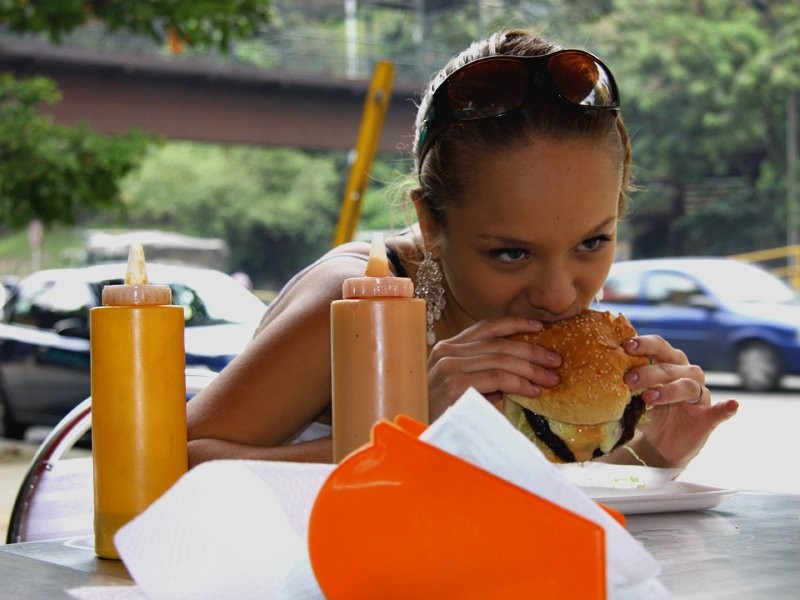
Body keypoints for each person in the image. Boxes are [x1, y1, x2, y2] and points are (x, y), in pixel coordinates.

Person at [186, 28, 738, 468]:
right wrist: (413, 432)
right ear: (429, 221)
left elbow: (518, 464)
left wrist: (645, 444)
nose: (558, 294)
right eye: (511, 253)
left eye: (591, 242)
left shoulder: (563, 333)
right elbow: (176, 468)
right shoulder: (350, 306)